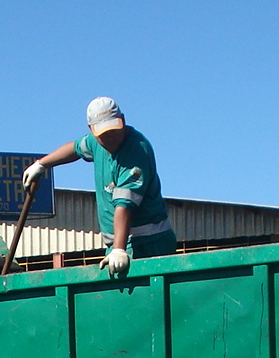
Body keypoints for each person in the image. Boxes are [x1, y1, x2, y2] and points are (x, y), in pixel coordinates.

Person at [23, 97, 175, 278]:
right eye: (103, 134)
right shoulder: (96, 143)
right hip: (119, 244)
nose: (109, 137)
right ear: (92, 130)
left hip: (148, 243)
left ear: (123, 121)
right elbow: (74, 149)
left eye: (113, 130)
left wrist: (118, 250)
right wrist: (41, 165)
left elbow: (124, 205)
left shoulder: (136, 151)